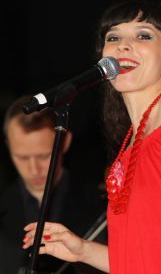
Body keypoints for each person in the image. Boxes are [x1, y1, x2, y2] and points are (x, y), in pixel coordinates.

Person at [22, 0, 161, 273]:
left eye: (143, 35)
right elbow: (139, 260)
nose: (123, 45)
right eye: (113, 37)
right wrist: (81, 250)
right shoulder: (130, 143)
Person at [1, 95, 106, 273]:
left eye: (43, 156)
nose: (33, 169)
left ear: (64, 142)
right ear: (9, 146)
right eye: (22, 157)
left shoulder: (102, 205)